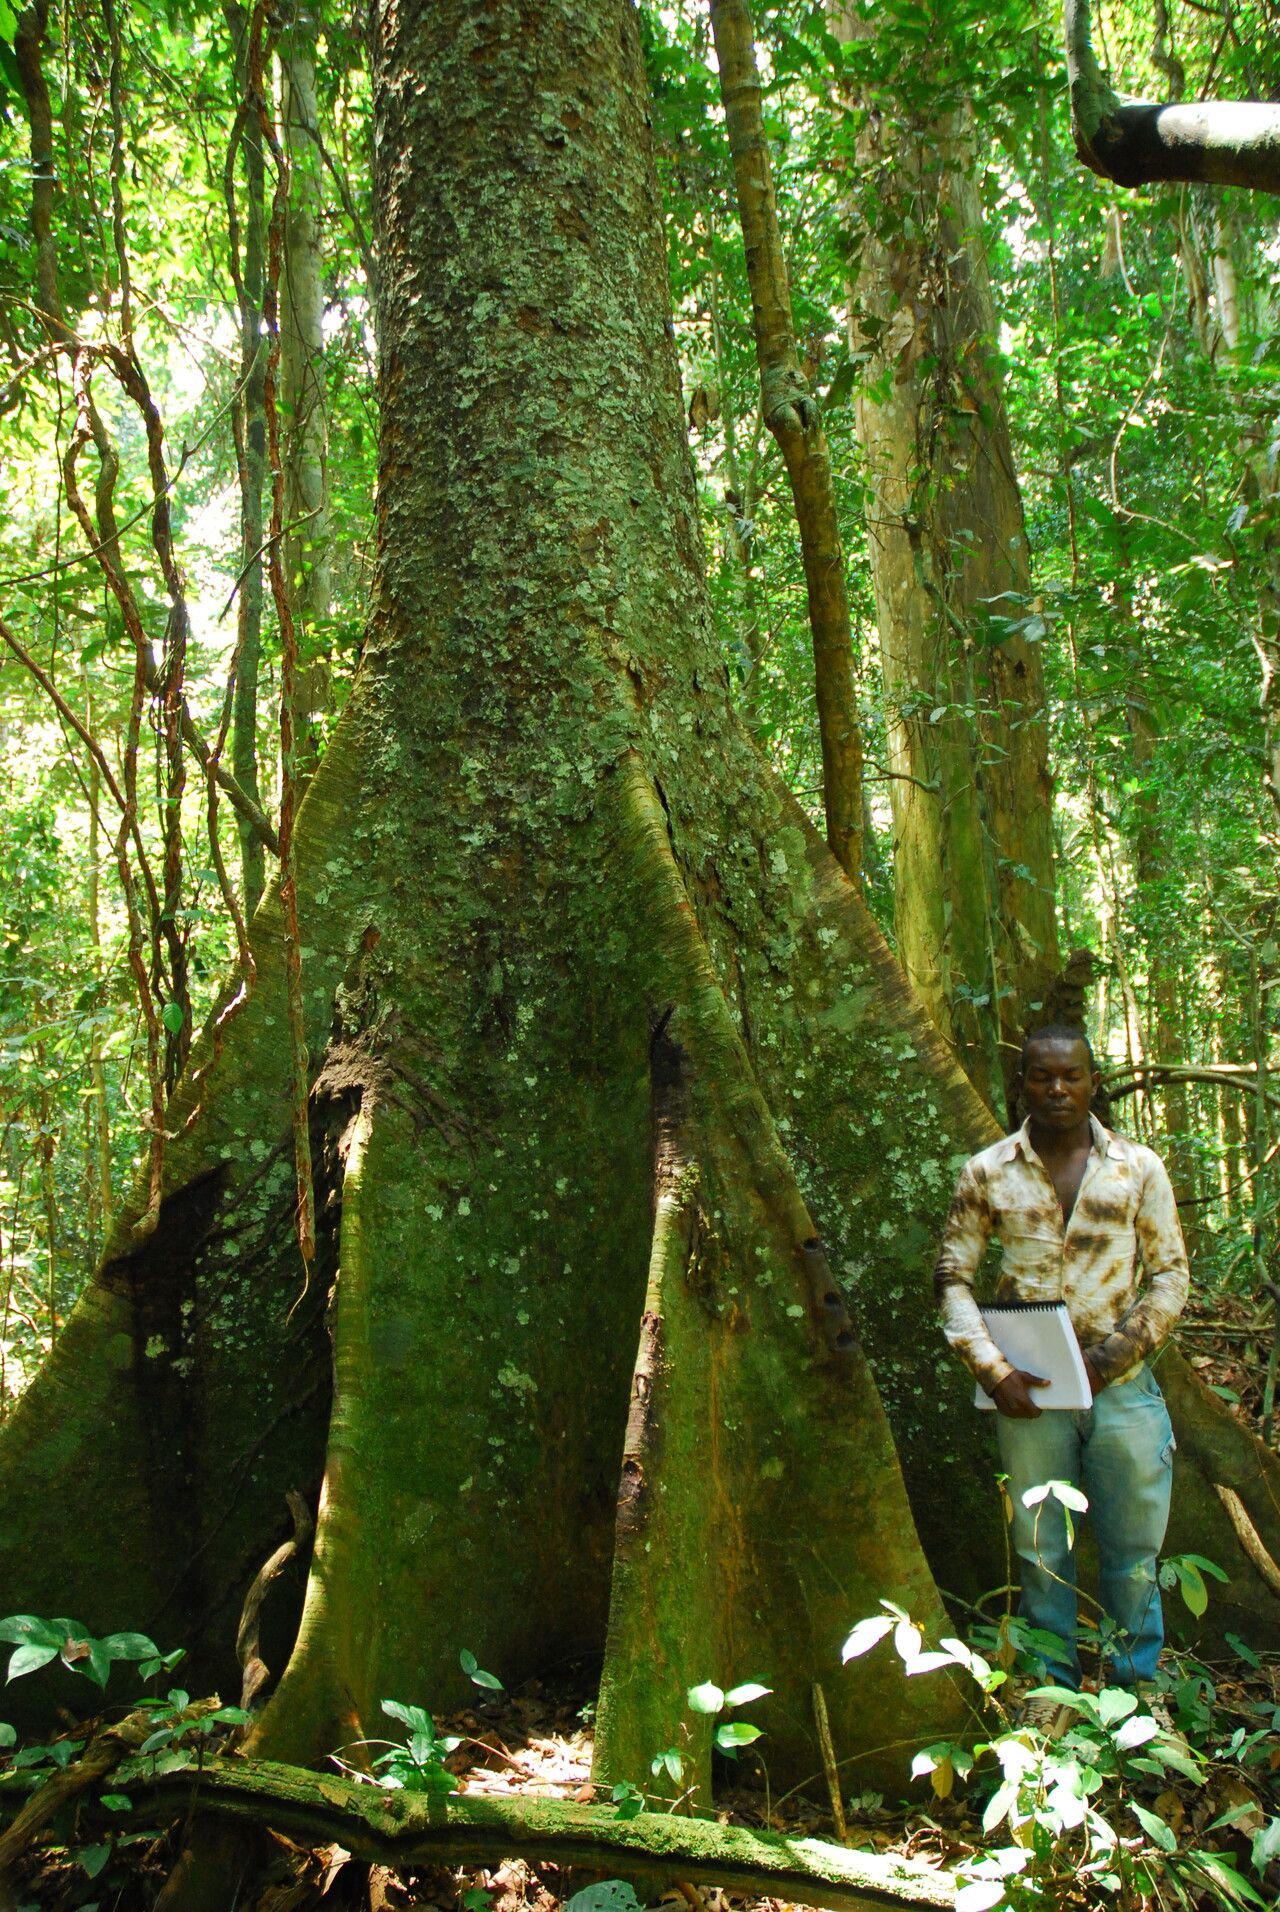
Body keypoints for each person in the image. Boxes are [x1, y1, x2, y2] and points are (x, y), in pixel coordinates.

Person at [934, 1025, 1189, 1726]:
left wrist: (1115, 1358)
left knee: (1134, 1540)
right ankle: (1053, 1693)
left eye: (1070, 1076)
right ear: (1023, 1085)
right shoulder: (988, 1170)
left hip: (1124, 1384)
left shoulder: (1137, 1168)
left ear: (1092, 1080)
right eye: (1041, 1077)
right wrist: (991, 1370)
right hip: (1029, 1391)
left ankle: (1137, 1691)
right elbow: (953, 1277)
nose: (1056, 1089)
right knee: (1040, 1540)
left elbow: (1169, 1275)